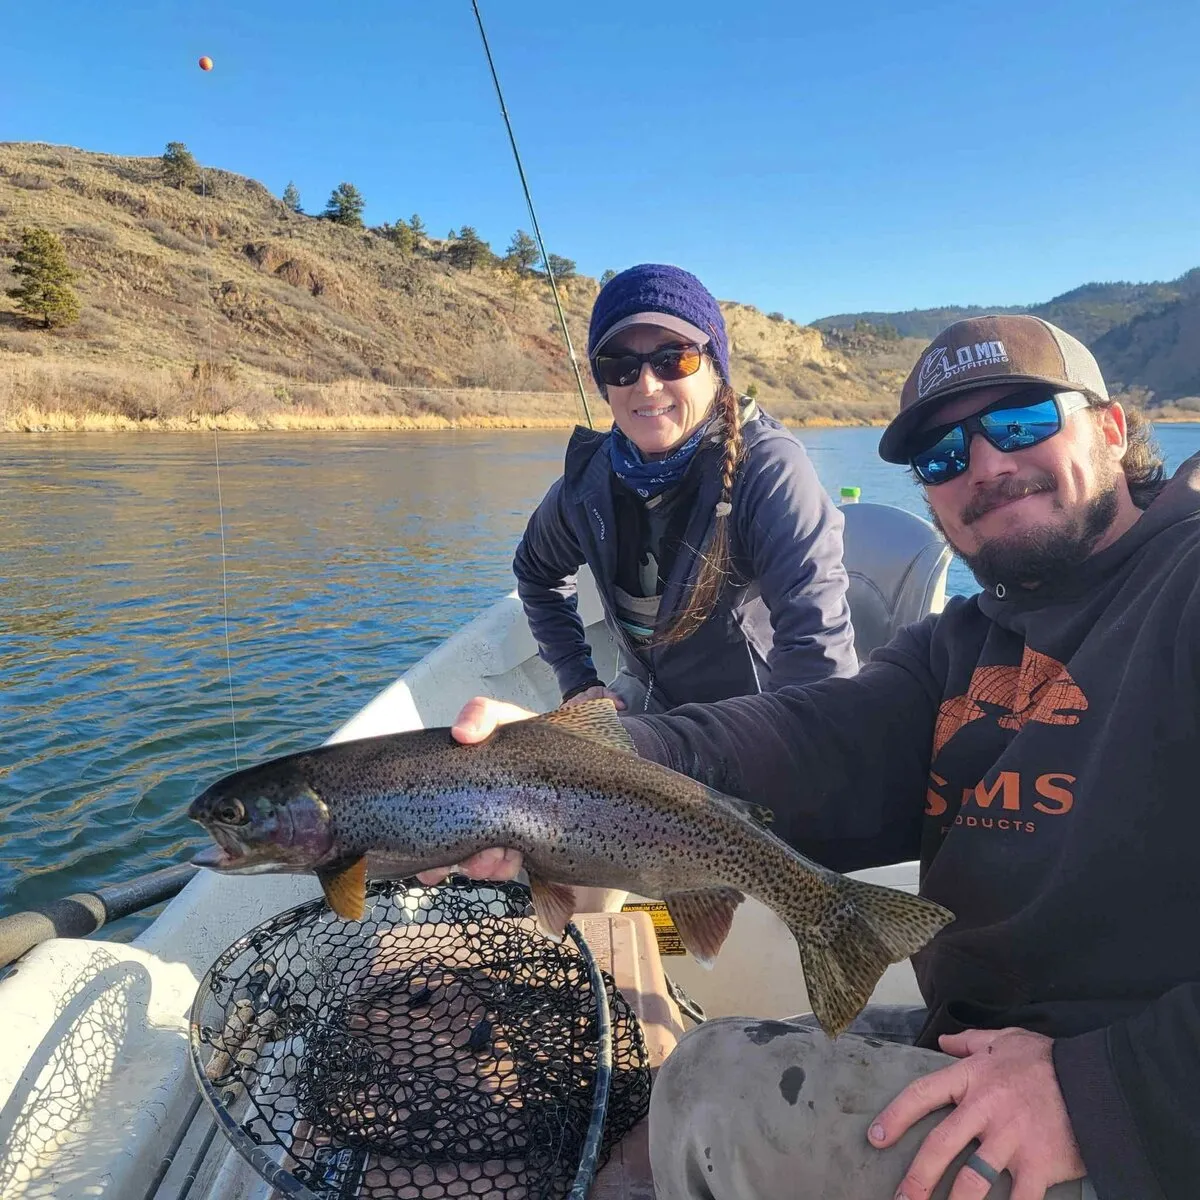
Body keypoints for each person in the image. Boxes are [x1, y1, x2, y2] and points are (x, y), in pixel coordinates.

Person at [420, 314, 1200, 1200]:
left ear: (1109, 427)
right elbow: (806, 741)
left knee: (713, 1090)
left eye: (1020, 423)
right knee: (662, 1119)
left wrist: (1105, 1090)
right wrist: (586, 759)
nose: (984, 466)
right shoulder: (962, 645)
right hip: (991, 1034)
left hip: (1145, 1108)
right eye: (942, 457)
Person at [513, 262, 857, 713]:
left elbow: (819, 660)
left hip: (758, 718)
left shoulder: (770, 470)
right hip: (646, 705)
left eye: (673, 358)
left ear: (715, 368)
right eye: (621, 366)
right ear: (604, 384)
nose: (647, 384)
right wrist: (577, 682)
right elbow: (537, 573)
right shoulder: (588, 482)